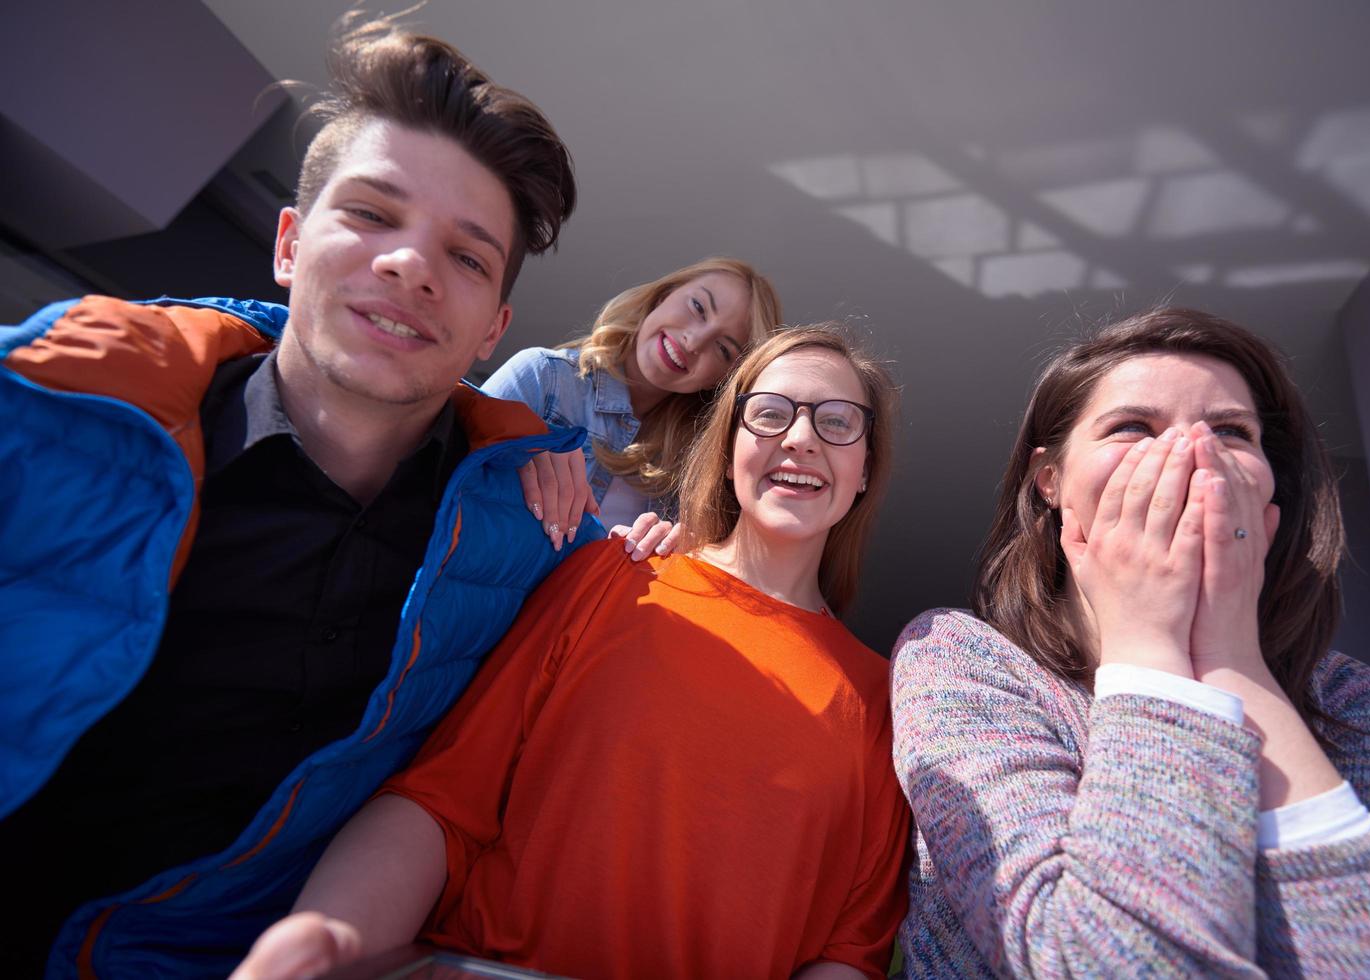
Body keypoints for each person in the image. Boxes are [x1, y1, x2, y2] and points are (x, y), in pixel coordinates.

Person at [0, 16, 583, 977]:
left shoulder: (525, 537)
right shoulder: (53, 409)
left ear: (495, 330)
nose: (411, 265)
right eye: (371, 214)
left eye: (468, 258)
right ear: (288, 242)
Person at [232, 324, 910, 980]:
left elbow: (848, 952)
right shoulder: (613, 578)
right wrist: (327, 944)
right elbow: (445, 800)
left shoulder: (889, 702)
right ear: (729, 446)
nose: (798, 438)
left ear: (864, 469)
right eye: (768, 413)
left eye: (836, 422)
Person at [889, 307, 1370, 978]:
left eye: (1230, 431)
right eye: (1132, 427)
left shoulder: (1348, 696)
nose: (1193, 454)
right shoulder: (963, 662)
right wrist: (1146, 641)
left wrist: (1231, 658)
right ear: (1048, 480)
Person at [482, 257, 781, 555]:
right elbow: (446, 480)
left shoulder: (697, 467)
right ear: (663, 295)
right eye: (698, 307)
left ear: (723, 380)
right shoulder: (542, 377)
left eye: (723, 348)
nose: (693, 341)